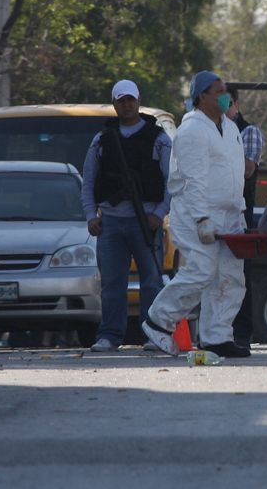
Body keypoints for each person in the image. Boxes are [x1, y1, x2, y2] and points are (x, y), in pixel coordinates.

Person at [141, 71, 250, 358]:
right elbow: (194, 180)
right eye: (219, 91)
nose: (225, 95)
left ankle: (217, 336)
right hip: (195, 212)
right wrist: (202, 218)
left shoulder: (230, 128)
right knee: (201, 269)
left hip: (229, 215)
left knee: (230, 275)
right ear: (202, 96)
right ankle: (159, 320)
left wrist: (239, 213)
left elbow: (234, 174)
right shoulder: (192, 131)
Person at [80, 80, 171, 352]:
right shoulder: (101, 140)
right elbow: (88, 182)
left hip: (145, 222)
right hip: (110, 223)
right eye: (121, 100)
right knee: (112, 283)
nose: (127, 104)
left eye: (130, 99)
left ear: (138, 100)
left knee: (151, 281)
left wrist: (158, 214)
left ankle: (152, 334)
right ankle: (109, 335)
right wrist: (90, 216)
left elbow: (173, 182)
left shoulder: (159, 138)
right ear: (115, 104)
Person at [227, 89, 263, 349]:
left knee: (240, 275)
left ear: (236, 105)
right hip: (215, 213)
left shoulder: (247, 132)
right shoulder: (207, 131)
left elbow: (248, 170)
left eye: (226, 102)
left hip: (240, 213)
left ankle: (242, 334)